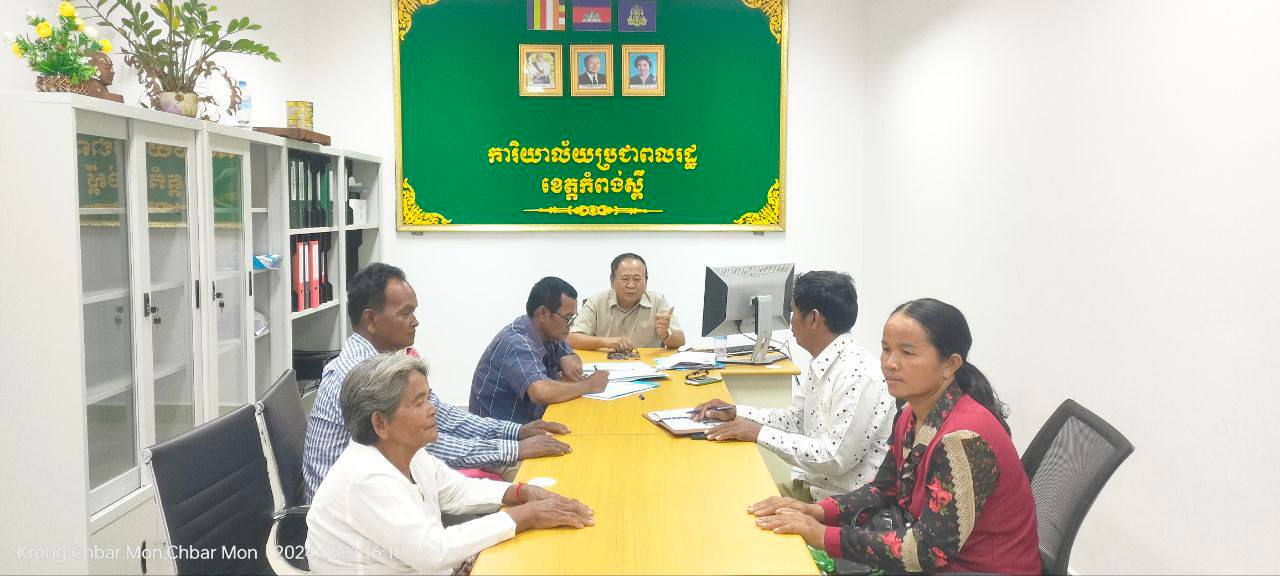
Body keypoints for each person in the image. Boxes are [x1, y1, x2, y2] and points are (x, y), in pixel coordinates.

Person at [747, 299, 1040, 574]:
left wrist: (824, 536)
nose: (889, 363)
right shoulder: (912, 413)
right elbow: (885, 489)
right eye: (886, 349)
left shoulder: (963, 438)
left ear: (950, 365)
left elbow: (928, 550)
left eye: (907, 353)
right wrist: (816, 512)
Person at [306, 354, 594, 575]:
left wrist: (519, 492)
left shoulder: (406, 452)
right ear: (380, 423)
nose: (432, 410)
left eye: (428, 398)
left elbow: (457, 491)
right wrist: (527, 515)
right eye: (419, 403)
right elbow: (435, 551)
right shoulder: (365, 477)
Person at [304, 263, 573, 498]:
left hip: (385, 489)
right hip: (353, 511)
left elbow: (445, 417)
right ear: (371, 319)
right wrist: (512, 448)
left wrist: (515, 432)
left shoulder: (386, 361)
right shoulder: (365, 376)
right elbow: (426, 447)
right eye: (405, 313)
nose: (415, 322)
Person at [690, 271, 894, 501]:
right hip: (811, 490)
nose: (791, 321)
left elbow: (834, 458)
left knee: (733, 506)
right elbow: (796, 420)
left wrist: (757, 433)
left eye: (794, 312)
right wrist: (736, 413)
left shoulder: (859, 375)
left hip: (840, 504)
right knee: (725, 496)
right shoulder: (825, 362)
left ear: (814, 319)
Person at [470, 277, 608, 424]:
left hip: (530, 423)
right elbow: (540, 392)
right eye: (567, 318)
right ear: (542, 314)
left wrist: (568, 356)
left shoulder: (548, 332)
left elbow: (570, 356)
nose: (570, 325)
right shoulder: (516, 343)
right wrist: (588, 385)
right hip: (500, 432)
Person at [568, 253, 685, 351]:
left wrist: (665, 334)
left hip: (646, 367)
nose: (631, 285)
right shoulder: (597, 301)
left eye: (637, 279)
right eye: (625, 279)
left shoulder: (658, 301)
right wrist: (605, 342)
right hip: (605, 365)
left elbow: (680, 340)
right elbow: (571, 338)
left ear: (646, 281)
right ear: (612, 281)